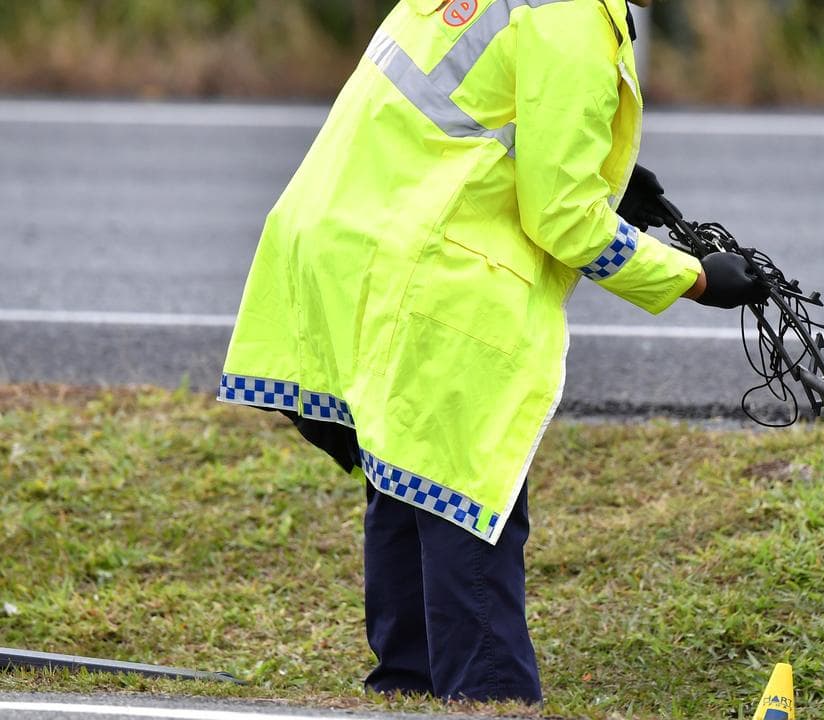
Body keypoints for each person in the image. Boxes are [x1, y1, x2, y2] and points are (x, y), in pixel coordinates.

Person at [217, 0, 766, 704]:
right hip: (429, 268)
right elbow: (562, 216)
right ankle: (492, 702)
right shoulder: (572, 20)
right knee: (468, 492)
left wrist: (608, 173)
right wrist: (690, 278)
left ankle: (408, 690)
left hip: (351, 238)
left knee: (408, 468)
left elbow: (479, 106)